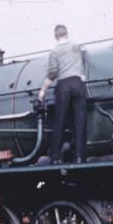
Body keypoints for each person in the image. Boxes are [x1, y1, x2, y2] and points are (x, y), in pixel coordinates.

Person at [38, 24, 88, 164]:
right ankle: (79, 157)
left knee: (59, 121)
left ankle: (56, 157)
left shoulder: (54, 51)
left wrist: (43, 90)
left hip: (64, 85)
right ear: (67, 33)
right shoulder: (76, 46)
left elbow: (53, 73)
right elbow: (84, 53)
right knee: (80, 122)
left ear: (55, 36)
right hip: (78, 84)